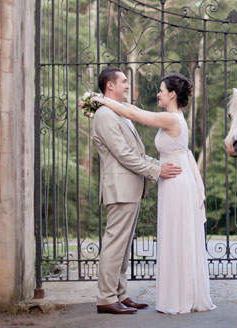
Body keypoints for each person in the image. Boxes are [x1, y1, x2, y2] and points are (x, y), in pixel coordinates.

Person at [91, 72, 216, 314]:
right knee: (116, 244)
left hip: (170, 181)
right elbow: (124, 154)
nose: (128, 85)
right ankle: (107, 297)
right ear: (110, 86)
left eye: (160, 90)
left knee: (125, 245)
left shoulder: (170, 118)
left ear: (172, 94)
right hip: (124, 186)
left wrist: (98, 99)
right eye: (123, 82)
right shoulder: (107, 115)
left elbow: (134, 120)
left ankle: (120, 294)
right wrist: (155, 168)